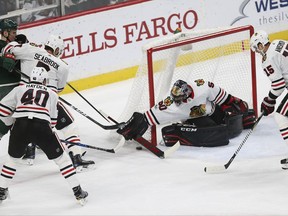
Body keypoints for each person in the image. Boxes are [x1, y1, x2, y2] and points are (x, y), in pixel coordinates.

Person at [2, 34, 95, 171]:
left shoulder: (30, 49)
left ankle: (29, 152)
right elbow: (59, 89)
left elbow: (7, 49)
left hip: (23, 98)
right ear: (58, 50)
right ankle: (76, 157)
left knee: (24, 122)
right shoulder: (63, 66)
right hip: (46, 99)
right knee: (69, 127)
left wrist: (18, 42)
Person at [0, 66, 88, 205]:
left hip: (20, 126)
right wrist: (47, 136)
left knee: (12, 160)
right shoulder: (51, 93)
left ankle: (1, 190)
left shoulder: (19, 89)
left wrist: (11, 124)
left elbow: (2, 110)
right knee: (62, 160)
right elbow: (52, 121)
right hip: (41, 127)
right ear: (45, 80)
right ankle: (78, 192)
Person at [117, 79, 256, 147]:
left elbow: (225, 98)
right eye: (174, 97)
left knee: (231, 119)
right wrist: (134, 124)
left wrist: (235, 103)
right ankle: (181, 134)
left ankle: (242, 121)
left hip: (213, 111)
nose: (175, 101)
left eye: (178, 98)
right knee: (214, 131)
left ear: (187, 94)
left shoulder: (203, 87)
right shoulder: (169, 104)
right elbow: (147, 117)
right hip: (196, 120)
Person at [250, 30, 288, 169]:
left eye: (256, 48)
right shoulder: (279, 42)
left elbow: (279, 85)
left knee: (281, 116)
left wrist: (268, 100)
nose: (256, 52)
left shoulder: (268, 60)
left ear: (260, 45)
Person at [0, 19, 20, 141]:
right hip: (4, 88)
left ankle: (30, 143)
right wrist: (2, 61)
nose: (15, 35)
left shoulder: (15, 45)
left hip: (16, 86)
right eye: (13, 32)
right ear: (5, 33)